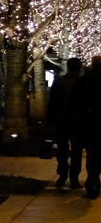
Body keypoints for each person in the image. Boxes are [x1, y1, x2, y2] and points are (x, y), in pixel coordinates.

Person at [48, 57, 84, 189]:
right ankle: (74, 178)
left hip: (61, 120)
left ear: (68, 66)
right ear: (79, 67)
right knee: (77, 151)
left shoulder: (59, 81)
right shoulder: (83, 83)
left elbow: (52, 103)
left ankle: (63, 174)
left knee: (62, 150)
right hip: (78, 122)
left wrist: (50, 121)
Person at [81, 56, 101, 199]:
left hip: (90, 123)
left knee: (92, 153)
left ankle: (92, 179)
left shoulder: (84, 80)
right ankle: (95, 180)